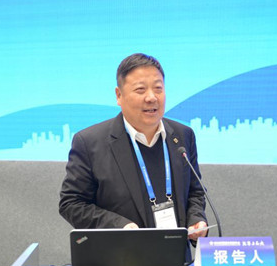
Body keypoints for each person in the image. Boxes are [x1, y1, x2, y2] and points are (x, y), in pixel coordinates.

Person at [59, 53, 208, 247]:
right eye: (140, 90)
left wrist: (196, 219)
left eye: (158, 88)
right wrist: (119, 226)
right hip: (119, 257)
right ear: (119, 95)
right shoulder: (89, 142)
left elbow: (195, 191)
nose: (151, 97)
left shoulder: (182, 136)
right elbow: (72, 203)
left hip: (176, 256)